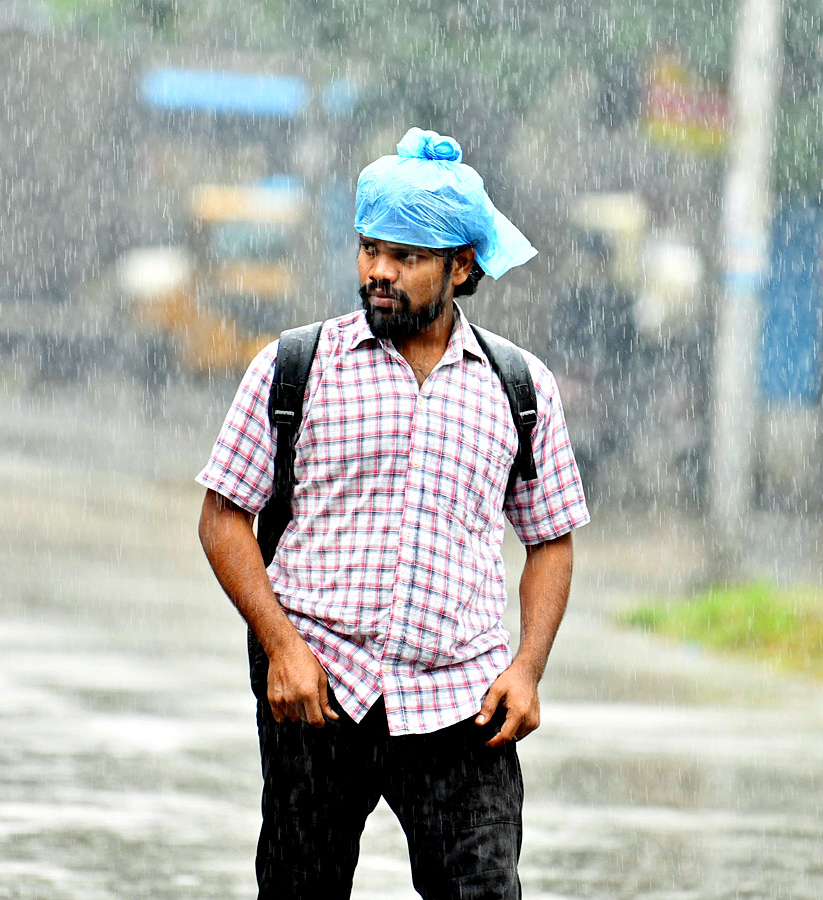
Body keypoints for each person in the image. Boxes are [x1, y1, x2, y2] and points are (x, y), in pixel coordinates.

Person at [196, 127, 589, 899]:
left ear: (461, 265)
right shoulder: (293, 369)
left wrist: (528, 670)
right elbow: (222, 519)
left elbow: (551, 540)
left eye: (406, 257)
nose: (379, 271)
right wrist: (282, 648)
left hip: (459, 705)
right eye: (369, 248)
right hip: (319, 694)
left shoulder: (519, 387)